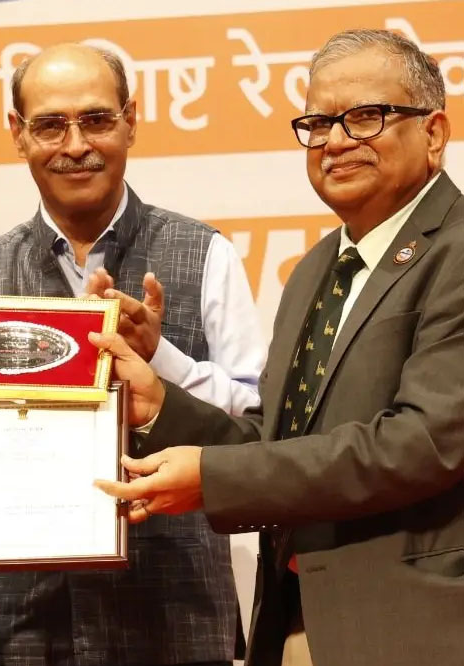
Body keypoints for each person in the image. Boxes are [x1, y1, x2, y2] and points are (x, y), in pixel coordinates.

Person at [91, 29, 460, 666]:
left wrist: (212, 480)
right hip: (295, 623)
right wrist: (158, 406)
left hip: (418, 629)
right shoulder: (317, 269)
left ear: (433, 133)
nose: (336, 141)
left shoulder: (457, 250)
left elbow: (421, 442)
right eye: (318, 123)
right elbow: (276, 439)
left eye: (365, 117)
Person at [0, 43, 265, 666]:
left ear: (131, 121)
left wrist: (160, 357)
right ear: (17, 134)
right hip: (21, 629)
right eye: (49, 125)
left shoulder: (205, 254)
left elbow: (256, 437)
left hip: (174, 617)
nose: (75, 145)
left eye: (96, 120)